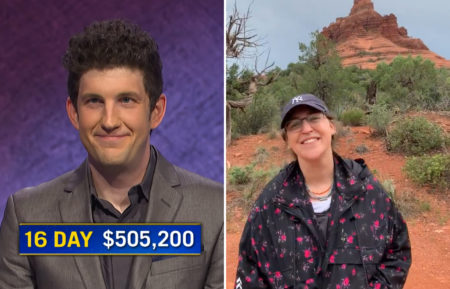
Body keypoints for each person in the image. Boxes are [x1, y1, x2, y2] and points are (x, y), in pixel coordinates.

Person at [0, 19, 223, 289]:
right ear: (74, 113)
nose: (109, 120)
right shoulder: (27, 215)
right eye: (94, 101)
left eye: (126, 100)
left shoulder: (214, 210)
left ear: (156, 111)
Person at [235, 94, 411, 289]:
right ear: (287, 139)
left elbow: (398, 251)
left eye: (314, 118)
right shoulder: (271, 202)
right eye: (294, 124)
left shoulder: (365, 189)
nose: (306, 129)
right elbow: (249, 270)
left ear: (331, 126)